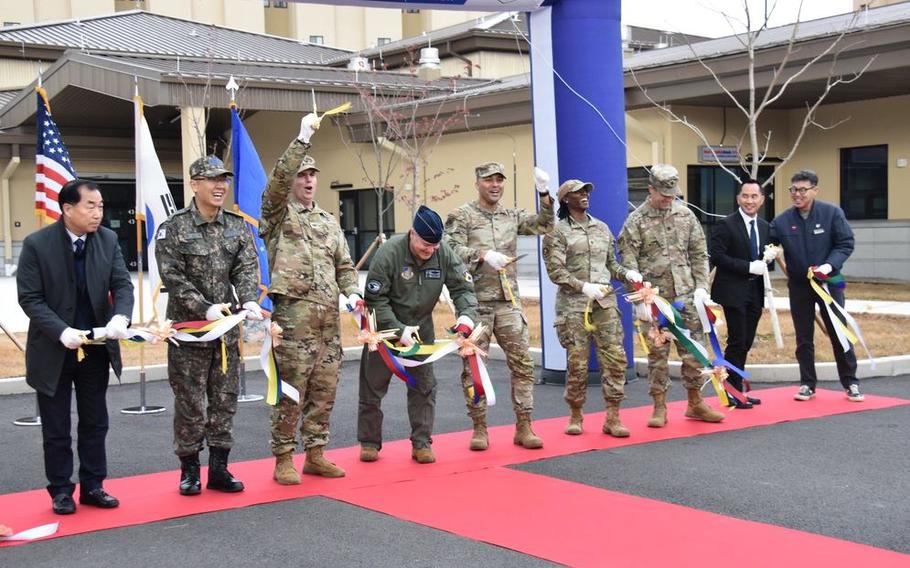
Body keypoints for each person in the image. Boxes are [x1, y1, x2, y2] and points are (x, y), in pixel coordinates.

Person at [17, 179, 134, 515]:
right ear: (67, 209)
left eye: (100, 206)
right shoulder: (37, 244)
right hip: (53, 349)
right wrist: (60, 330)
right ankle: (61, 491)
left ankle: (94, 485)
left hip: (96, 347)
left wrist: (121, 318)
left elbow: (121, 284)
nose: (98, 213)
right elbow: (30, 298)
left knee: (95, 421)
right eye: (90, 206)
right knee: (56, 427)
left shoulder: (108, 240)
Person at [260, 114, 361, 484]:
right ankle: (283, 457)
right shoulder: (275, 213)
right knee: (291, 390)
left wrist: (353, 294)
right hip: (294, 318)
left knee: (325, 387)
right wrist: (301, 139)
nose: (307, 180)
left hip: (328, 322)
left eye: (311, 175)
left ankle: (316, 453)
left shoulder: (328, 221)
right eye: (301, 175)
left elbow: (345, 265)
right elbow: (276, 184)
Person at [156, 155, 262, 496]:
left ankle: (219, 469)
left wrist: (247, 300)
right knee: (189, 403)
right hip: (189, 332)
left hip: (225, 335)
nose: (220, 186)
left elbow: (246, 267)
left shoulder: (236, 226)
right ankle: (189, 471)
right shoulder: (174, 228)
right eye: (213, 180)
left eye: (224, 180)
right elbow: (172, 276)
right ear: (194, 184)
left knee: (224, 400)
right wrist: (204, 308)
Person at [444, 162, 554, 451]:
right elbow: (450, 250)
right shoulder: (462, 215)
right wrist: (482, 255)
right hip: (474, 304)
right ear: (477, 182)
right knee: (473, 367)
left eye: (499, 181)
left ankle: (524, 426)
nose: (495, 185)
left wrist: (544, 192)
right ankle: (479, 428)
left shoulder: (510, 216)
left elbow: (545, 224)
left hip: (507, 302)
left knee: (523, 364)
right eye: (489, 180)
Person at [358, 205, 478, 464]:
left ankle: (422, 442)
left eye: (434, 247)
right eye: (425, 246)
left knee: (424, 387)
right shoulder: (388, 253)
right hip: (385, 329)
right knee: (372, 387)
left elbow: (463, 288)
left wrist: (466, 317)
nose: (429, 252)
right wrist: (398, 330)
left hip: (422, 329)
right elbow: (375, 299)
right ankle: (369, 442)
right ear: (412, 233)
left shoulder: (442, 252)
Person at [618, 164, 725, 427]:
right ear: (651, 189)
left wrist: (702, 288)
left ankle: (695, 402)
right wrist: (638, 293)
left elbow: (699, 254)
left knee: (694, 352)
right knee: (657, 355)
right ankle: (659, 406)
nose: (668, 199)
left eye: (672, 194)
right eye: (663, 194)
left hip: (687, 296)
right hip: (654, 301)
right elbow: (628, 263)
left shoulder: (686, 216)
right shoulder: (636, 222)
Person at [543, 180, 642, 437]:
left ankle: (613, 416)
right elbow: (556, 271)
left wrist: (628, 274)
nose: (585, 195)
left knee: (615, 359)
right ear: (566, 199)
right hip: (574, 306)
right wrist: (583, 286)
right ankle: (575, 414)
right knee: (578, 362)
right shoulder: (558, 232)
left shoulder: (602, 228)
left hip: (605, 303)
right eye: (578, 192)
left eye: (586, 191)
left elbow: (611, 265)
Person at [769, 170, 861, 402]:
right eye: (793, 190)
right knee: (803, 335)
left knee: (839, 331)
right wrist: (768, 251)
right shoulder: (782, 220)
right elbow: (767, 242)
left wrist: (829, 266)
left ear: (814, 190)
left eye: (802, 190)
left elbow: (845, 243)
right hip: (799, 284)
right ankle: (807, 383)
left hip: (831, 281)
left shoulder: (832, 213)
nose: (797, 195)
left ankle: (850, 381)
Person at [709, 179, 770, 408]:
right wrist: (747, 267)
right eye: (745, 196)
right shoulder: (726, 225)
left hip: (755, 291)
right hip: (732, 291)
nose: (750, 201)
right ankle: (732, 392)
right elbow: (717, 256)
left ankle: (737, 387)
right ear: (738, 199)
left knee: (746, 342)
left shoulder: (765, 226)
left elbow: (765, 253)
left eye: (754, 196)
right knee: (736, 341)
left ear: (761, 200)